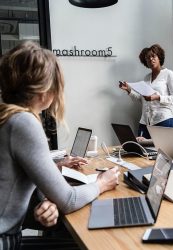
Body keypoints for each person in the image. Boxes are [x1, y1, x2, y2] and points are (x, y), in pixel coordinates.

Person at [0, 41, 119, 249]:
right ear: (44, 90)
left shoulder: (7, 116)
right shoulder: (23, 122)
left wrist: (52, 173)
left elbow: (8, 186)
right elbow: (69, 200)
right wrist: (102, 183)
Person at [119, 44, 173, 139]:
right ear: (145, 62)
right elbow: (142, 99)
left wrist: (158, 97)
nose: (151, 59)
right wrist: (129, 89)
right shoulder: (146, 78)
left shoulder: (169, 74)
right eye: (148, 58)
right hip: (145, 120)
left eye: (153, 56)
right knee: (142, 149)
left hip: (164, 119)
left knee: (160, 151)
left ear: (159, 57)